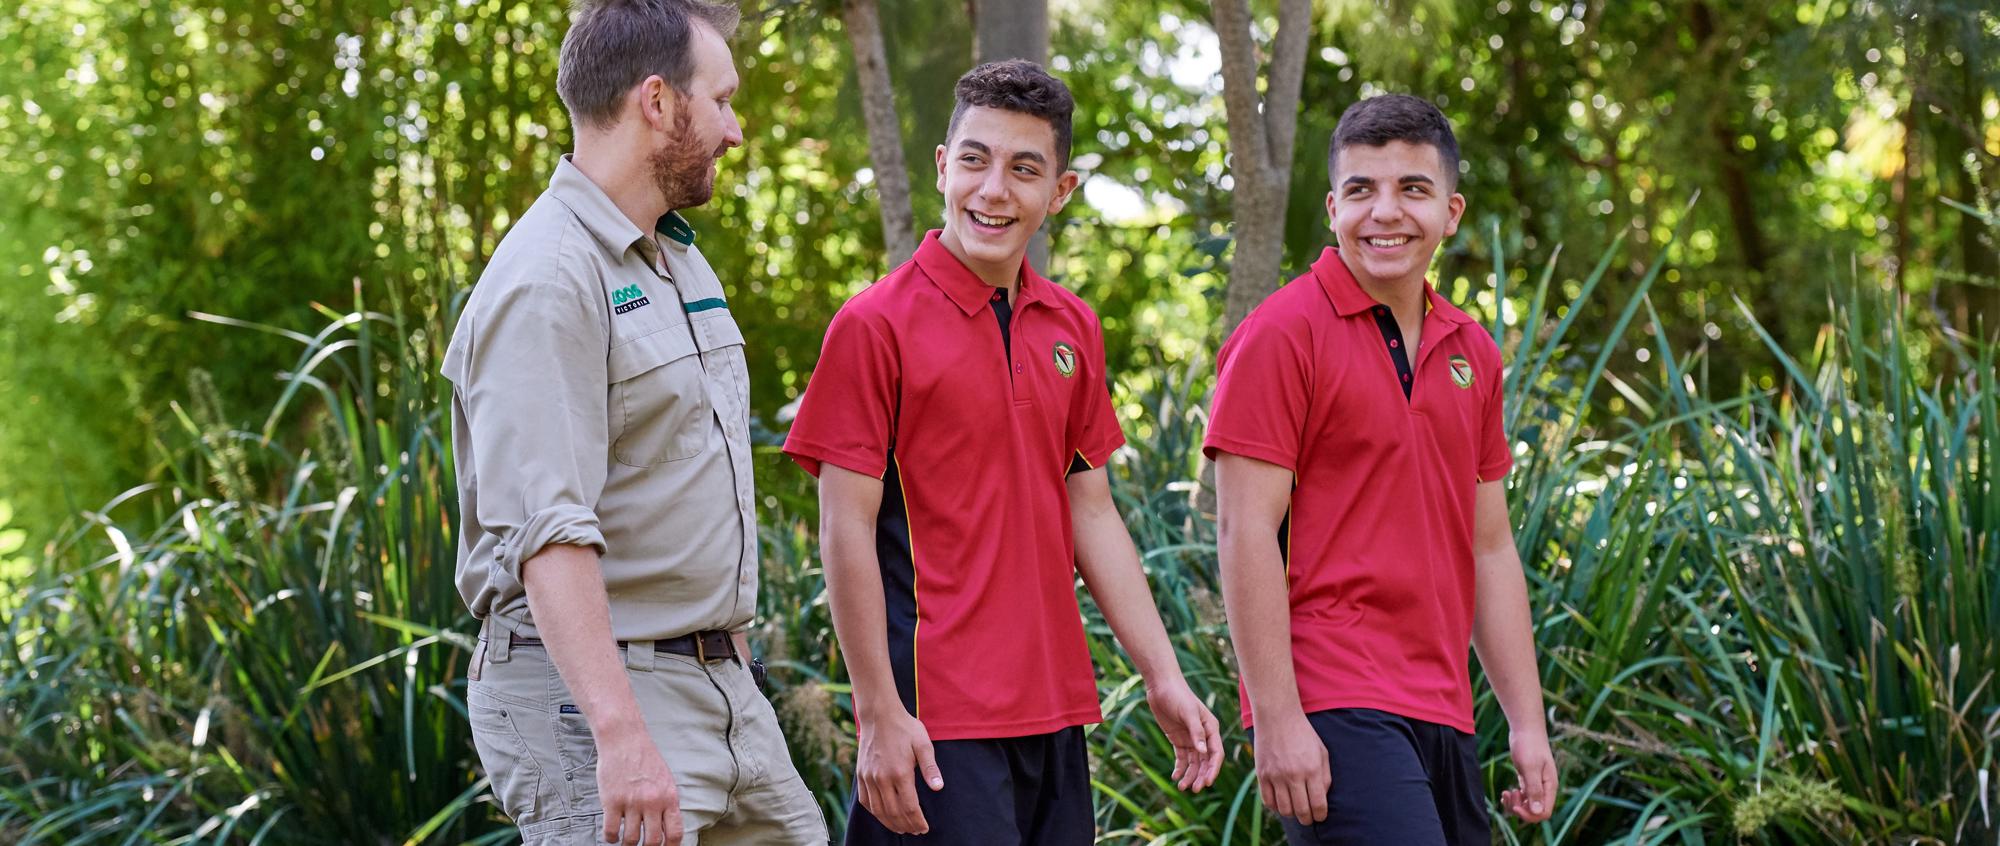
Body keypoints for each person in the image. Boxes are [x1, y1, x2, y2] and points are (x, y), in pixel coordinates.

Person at [780, 59, 1224, 845]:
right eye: (976, 160)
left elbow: (1093, 512)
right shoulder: (874, 326)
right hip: (937, 723)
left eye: (1025, 170)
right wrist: (879, 714)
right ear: (944, 165)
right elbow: (844, 529)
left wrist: (1163, 676)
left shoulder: (1073, 327)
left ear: (1059, 192)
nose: (994, 191)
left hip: (1056, 713)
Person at [441, 1, 825, 843]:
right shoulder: (548, 280)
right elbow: (547, 533)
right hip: (600, 698)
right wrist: (620, 735)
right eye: (721, 100)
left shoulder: (677, 257)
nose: (735, 130)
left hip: (719, 686)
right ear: (658, 103)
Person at [1204, 94, 1559, 845]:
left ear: (1452, 212)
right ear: (1333, 208)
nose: (1384, 212)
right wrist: (1276, 718)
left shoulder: (1474, 353)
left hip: (1441, 707)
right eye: (1362, 190)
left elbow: (1489, 546)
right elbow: (1243, 531)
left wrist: (1527, 725)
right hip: (1332, 697)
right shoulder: (1280, 336)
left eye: (1412, 189)